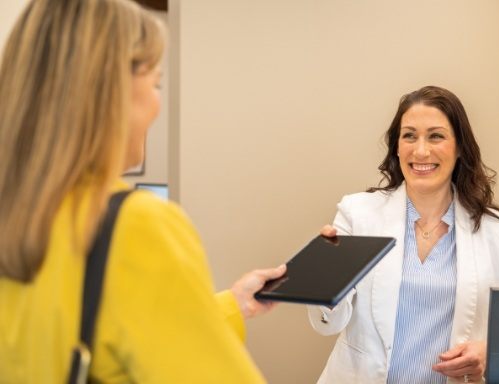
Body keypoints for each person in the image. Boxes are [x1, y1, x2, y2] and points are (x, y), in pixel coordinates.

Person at [0, 0, 285, 382]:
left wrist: (230, 305)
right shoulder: (135, 224)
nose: (157, 104)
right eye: (155, 84)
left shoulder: (17, 213)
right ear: (109, 94)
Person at [308, 85, 499, 383]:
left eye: (436, 136)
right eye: (409, 135)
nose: (421, 150)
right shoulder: (357, 214)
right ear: (397, 146)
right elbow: (327, 323)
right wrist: (323, 282)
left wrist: (490, 352)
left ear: (459, 147)